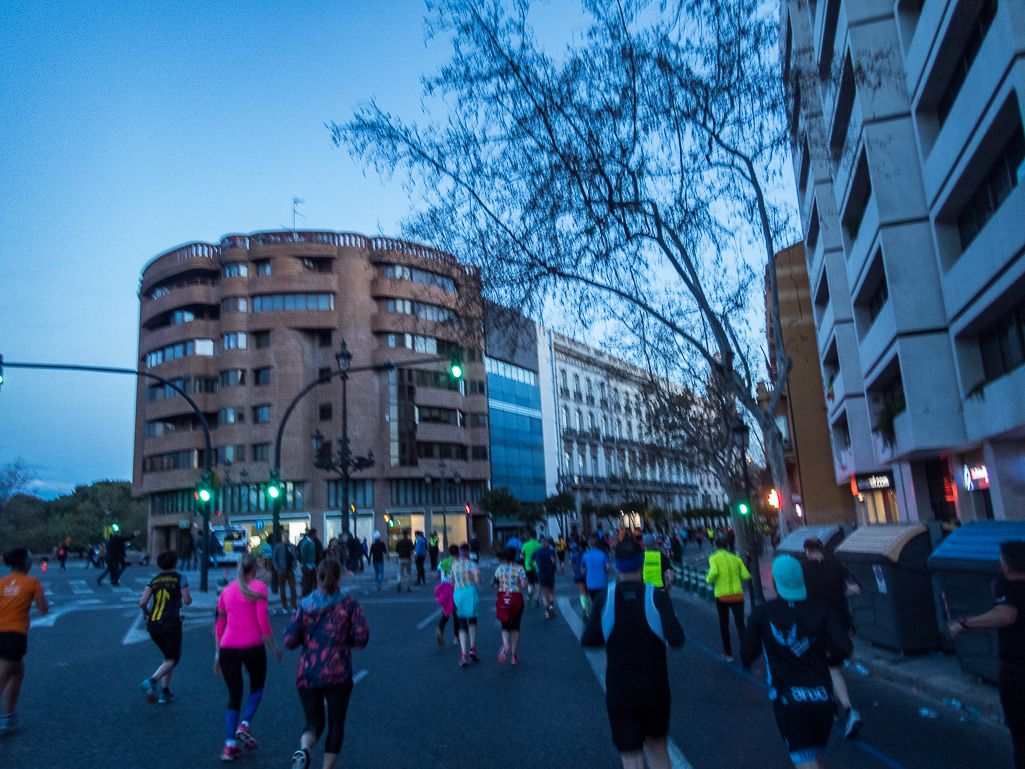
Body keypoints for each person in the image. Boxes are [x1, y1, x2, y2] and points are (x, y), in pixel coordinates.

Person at [582, 538, 686, 769]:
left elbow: (589, 640)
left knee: (631, 756)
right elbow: (677, 640)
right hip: (655, 689)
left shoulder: (605, 598)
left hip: (620, 690)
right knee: (658, 746)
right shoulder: (657, 597)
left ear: (617, 565)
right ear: (641, 564)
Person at [741, 555, 853, 769]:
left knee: (805, 761)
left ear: (774, 582)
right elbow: (844, 648)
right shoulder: (821, 610)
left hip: (788, 698)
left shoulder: (762, 614)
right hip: (822, 696)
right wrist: (827, 657)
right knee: (817, 756)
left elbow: (747, 654)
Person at [284, 558, 369, 769]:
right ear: (339, 577)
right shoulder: (348, 604)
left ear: (318, 577)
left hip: (308, 671)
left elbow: (289, 640)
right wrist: (343, 640)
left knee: (314, 721)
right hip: (338, 671)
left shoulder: (305, 605)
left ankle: (304, 750)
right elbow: (362, 637)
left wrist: (308, 638)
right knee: (336, 724)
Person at [949, 540, 1025, 769]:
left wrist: (966, 623)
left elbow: (1007, 614)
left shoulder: (1007, 586)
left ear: (1008, 565)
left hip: (1018, 670)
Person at [215, 554, 282, 762]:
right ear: (256, 567)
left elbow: (219, 626)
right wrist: (274, 647)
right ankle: (245, 723)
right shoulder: (259, 588)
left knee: (234, 694)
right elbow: (263, 622)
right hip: (252, 645)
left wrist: (217, 654)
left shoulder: (225, 591)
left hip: (227, 647)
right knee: (257, 687)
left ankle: (229, 745)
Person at [801, 537, 862, 738]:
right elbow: (855, 588)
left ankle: (848, 710)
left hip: (818, 624)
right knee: (832, 665)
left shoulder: (803, 570)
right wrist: (838, 595)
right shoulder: (837, 566)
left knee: (830, 668)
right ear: (822, 550)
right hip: (841, 623)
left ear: (807, 552)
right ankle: (832, 709)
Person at [0, 549, 48, 733]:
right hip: (15, 635)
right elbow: (43, 608)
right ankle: (7, 717)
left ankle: (9, 716)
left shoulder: (1, 583)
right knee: (3, 677)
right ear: (27, 564)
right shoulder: (32, 582)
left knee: (18, 671)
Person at [138, 551, 192, 704]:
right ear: (175, 564)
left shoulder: (153, 580)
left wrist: (147, 611)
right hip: (171, 624)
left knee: (168, 657)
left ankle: (165, 692)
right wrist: (185, 598)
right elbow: (187, 600)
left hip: (153, 625)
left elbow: (142, 602)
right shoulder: (180, 578)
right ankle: (151, 681)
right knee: (173, 659)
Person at [706, 535, 750, 662]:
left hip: (722, 596)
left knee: (724, 624)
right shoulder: (736, 558)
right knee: (740, 625)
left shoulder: (714, 558)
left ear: (716, 547)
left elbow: (713, 572)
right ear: (727, 546)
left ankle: (728, 653)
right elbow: (746, 575)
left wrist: (709, 579)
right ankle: (746, 654)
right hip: (737, 595)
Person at [493, 547, 527, 664]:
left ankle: (505, 643)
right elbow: (524, 585)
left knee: (505, 624)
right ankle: (513, 655)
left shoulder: (499, 569)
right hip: (516, 597)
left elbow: (495, 585)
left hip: (503, 597)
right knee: (516, 625)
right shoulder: (519, 568)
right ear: (514, 556)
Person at [451, 544, 481, 667]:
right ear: (469, 552)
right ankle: (472, 648)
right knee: (473, 621)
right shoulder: (474, 565)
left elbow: (452, 582)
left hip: (459, 593)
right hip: (471, 592)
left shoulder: (455, 565)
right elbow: (478, 582)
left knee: (461, 623)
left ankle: (463, 654)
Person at [435, 545, 460, 647]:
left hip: (445, 590)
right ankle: (456, 637)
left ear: (449, 552)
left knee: (445, 614)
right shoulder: (459, 563)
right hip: (456, 589)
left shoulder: (442, 562)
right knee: (457, 615)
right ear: (458, 553)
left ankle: (440, 631)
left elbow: (436, 576)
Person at [582, 534, 610, 615]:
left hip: (591, 582)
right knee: (602, 601)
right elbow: (608, 567)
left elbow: (582, 569)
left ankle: (595, 615)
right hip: (602, 582)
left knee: (594, 600)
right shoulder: (603, 554)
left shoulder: (585, 555)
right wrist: (605, 572)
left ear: (589, 545)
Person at [531, 538, 558, 618]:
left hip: (541, 573)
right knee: (551, 591)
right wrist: (555, 567)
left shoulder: (536, 551)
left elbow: (530, 563)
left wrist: (534, 568)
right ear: (547, 543)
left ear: (542, 543)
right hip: (549, 572)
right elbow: (553, 561)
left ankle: (546, 611)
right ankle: (551, 607)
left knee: (544, 593)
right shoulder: (550, 551)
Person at [274, 532, 299, 615]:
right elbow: (274, 559)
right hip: (282, 570)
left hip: (290, 570)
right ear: (282, 537)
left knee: (293, 588)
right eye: (284, 535)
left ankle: (293, 605)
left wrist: (294, 566)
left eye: (287, 535)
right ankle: (284, 606)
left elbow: (295, 557)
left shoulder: (291, 547)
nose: (286, 537)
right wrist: (278, 568)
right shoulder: (278, 547)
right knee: (282, 589)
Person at [520, 531, 542, 608]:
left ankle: (529, 593)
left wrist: (526, 559)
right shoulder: (539, 545)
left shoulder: (525, 544)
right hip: (537, 566)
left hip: (528, 566)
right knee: (537, 583)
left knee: (530, 582)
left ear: (529, 536)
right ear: (536, 536)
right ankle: (536, 600)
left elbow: (521, 556)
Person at [299, 530, 318, 598]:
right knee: (307, 583)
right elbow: (303, 555)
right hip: (307, 565)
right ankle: (305, 596)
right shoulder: (306, 543)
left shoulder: (312, 542)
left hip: (312, 564)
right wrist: (305, 566)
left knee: (311, 582)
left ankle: (309, 596)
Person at [395, 529, 414, 593]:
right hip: (407, 558)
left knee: (400, 573)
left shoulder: (399, 542)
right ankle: (408, 587)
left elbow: (396, 551)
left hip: (400, 558)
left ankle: (399, 582)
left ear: (402, 534)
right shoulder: (409, 541)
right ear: (407, 534)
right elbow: (412, 550)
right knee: (408, 573)